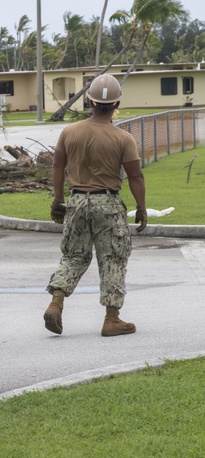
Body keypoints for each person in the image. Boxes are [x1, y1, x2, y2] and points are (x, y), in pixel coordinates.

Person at [44, 73, 148, 337]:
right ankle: (112, 319)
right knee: (113, 257)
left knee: (74, 256)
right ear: (116, 105)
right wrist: (142, 208)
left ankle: (56, 303)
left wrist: (58, 200)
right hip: (108, 204)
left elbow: (58, 166)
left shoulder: (69, 132)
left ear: (89, 102)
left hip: (77, 201)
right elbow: (135, 176)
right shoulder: (123, 138)